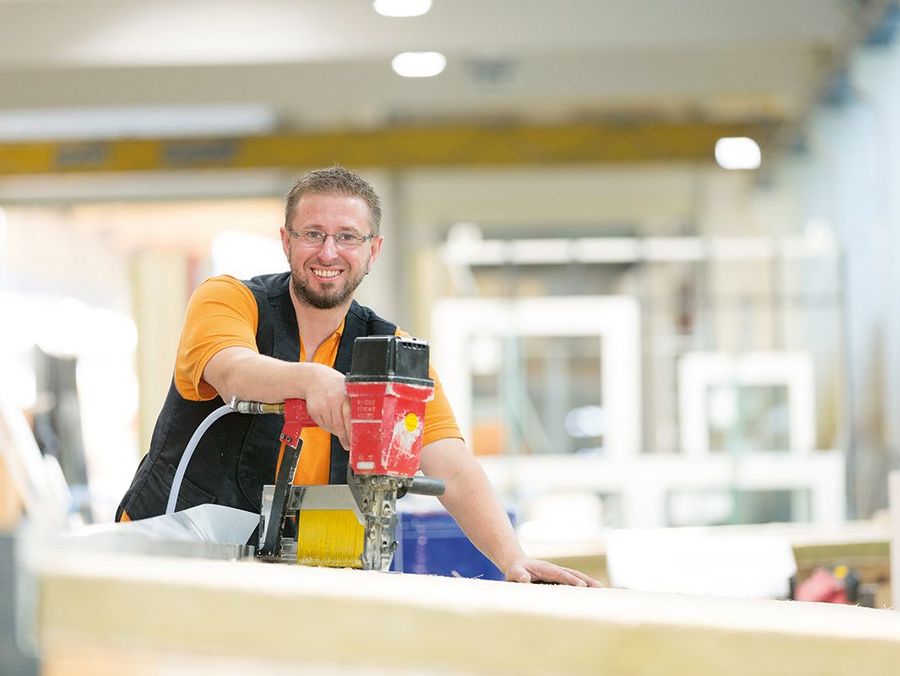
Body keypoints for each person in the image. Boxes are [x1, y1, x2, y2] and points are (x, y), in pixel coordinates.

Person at [117, 166, 599, 587]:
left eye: (347, 236)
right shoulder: (228, 299)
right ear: (286, 241)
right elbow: (232, 371)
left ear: (373, 250)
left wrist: (512, 559)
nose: (329, 252)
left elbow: (449, 464)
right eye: (312, 234)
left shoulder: (394, 353)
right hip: (170, 553)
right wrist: (312, 380)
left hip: (291, 568)